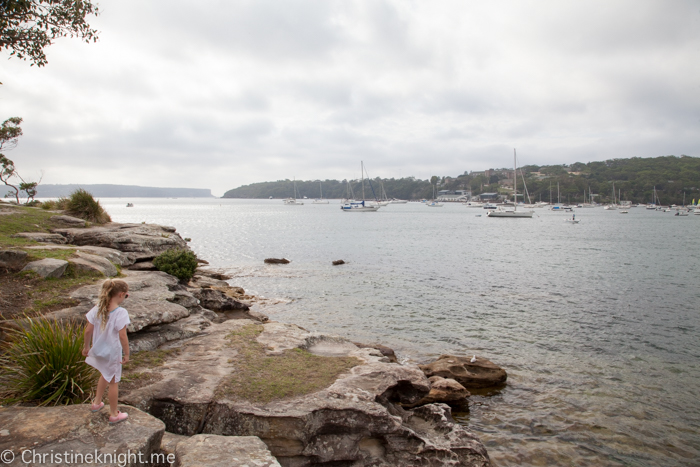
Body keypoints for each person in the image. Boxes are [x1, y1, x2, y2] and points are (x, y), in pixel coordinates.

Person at [82, 279, 131, 424]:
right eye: (126, 296)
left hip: (98, 350)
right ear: (121, 294)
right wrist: (127, 353)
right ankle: (114, 414)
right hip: (112, 353)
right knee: (114, 381)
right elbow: (122, 336)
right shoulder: (120, 312)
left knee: (104, 373)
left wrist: (86, 347)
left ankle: (97, 403)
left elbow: (88, 330)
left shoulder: (98, 308)